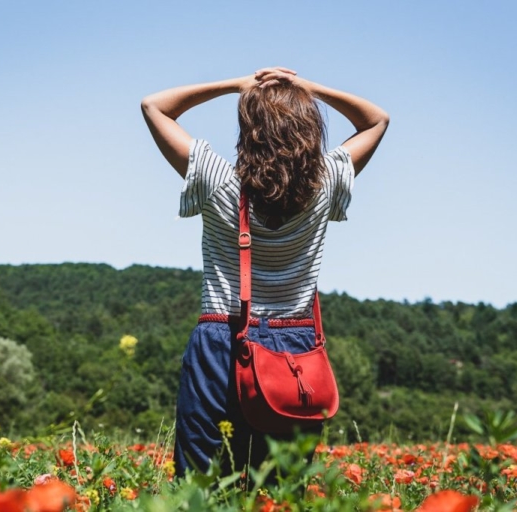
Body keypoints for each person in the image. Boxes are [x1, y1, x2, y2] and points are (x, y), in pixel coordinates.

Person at [141, 67, 389, 477]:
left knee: (201, 487)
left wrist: (236, 86)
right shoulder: (325, 185)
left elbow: (155, 106)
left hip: (222, 338)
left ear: (248, 130)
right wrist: (306, 88)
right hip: (295, 347)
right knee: (281, 489)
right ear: (310, 130)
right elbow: (376, 119)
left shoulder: (218, 181)